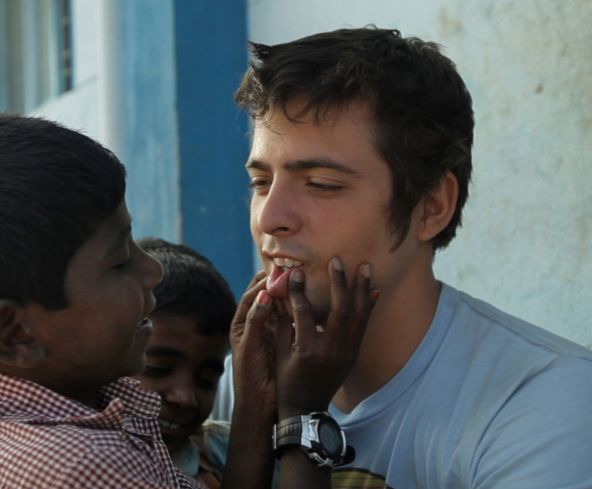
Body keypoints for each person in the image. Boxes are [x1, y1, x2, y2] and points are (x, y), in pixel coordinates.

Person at [0, 113, 376, 488]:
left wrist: (257, 395)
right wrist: (304, 412)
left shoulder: (45, 403)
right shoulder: (81, 470)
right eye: (118, 262)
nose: (151, 270)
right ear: (15, 333)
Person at [232, 26, 592, 488]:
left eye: (322, 185)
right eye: (261, 183)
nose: (271, 218)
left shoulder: (544, 403)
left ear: (432, 206)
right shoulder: (244, 376)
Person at [132, 238, 235, 489]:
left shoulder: (223, 451)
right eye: (158, 368)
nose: (185, 397)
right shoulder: (79, 460)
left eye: (207, 381)